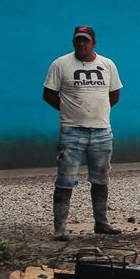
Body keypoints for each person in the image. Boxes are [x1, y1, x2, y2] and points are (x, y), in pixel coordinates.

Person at [43, 25, 123, 240]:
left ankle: (101, 222)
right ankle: (60, 227)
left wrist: (97, 112)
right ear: (73, 42)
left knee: (101, 178)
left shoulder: (107, 64)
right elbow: (48, 94)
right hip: (71, 132)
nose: (81, 44)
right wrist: (69, 110)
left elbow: (114, 95)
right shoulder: (60, 64)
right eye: (78, 40)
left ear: (93, 43)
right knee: (65, 179)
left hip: (101, 131)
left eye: (85, 40)